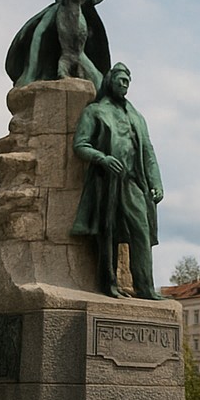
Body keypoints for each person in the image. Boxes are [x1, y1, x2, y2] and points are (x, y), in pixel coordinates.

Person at [71, 64, 164, 300]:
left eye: (127, 81)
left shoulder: (137, 117)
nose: (124, 84)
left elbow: (148, 151)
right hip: (107, 181)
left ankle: (145, 287)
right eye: (120, 80)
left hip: (134, 181)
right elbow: (80, 145)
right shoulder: (95, 111)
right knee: (108, 233)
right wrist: (102, 158)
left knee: (141, 232)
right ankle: (109, 285)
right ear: (110, 81)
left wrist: (156, 182)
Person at [5, 0, 111, 89]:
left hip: (81, 57)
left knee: (100, 85)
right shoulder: (58, 9)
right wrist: (30, 70)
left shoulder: (84, 5)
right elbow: (39, 32)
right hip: (65, 58)